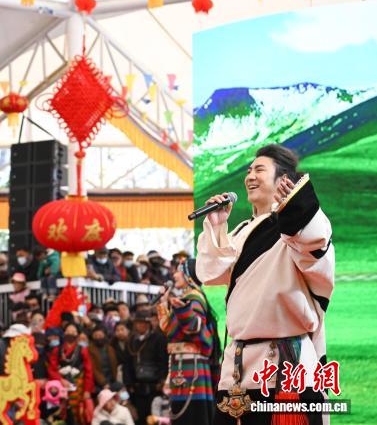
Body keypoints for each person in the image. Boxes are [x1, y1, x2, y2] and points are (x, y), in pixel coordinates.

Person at [196, 144, 334, 425]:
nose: (250, 176)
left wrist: (293, 206)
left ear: (283, 180)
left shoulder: (296, 228)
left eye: (259, 169)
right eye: (248, 171)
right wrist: (217, 225)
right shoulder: (239, 232)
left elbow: (315, 242)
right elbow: (209, 273)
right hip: (237, 368)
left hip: (283, 366)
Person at [156, 263, 220, 425]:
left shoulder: (194, 298)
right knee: (185, 412)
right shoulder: (187, 298)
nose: (174, 275)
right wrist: (163, 302)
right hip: (182, 363)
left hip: (191, 365)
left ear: (188, 276)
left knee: (191, 414)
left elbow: (195, 328)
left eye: (179, 271)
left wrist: (182, 310)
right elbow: (168, 328)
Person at [48, 323, 95, 425]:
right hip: (60, 384)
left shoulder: (82, 350)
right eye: (68, 331)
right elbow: (52, 368)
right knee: (61, 411)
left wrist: (87, 390)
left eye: (73, 332)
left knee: (77, 413)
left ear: (77, 335)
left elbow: (88, 371)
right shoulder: (57, 349)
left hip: (78, 384)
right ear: (64, 333)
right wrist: (60, 380)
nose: (71, 333)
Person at [128, 310, 168, 425]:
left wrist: (162, 380)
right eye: (139, 322)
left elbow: (163, 361)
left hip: (154, 387)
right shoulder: (132, 340)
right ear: (135, 324)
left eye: (145, 322)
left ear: (149, 323)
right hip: (137, 388)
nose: (142, 325)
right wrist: (129, 383)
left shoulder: (158, 338)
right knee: (139, 419)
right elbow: (128, 364)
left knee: (154, 419)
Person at [88, 325, 118, 393]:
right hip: (98, 383)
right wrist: (103, 382)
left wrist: (114, 379)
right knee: (107, 395)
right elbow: (93, 369)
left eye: (100, 335)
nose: (98, 337)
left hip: (112, 380)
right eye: (96, 335)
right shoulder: (90, 349)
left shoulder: (110, 348)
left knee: (124, 393)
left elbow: (115, 365)